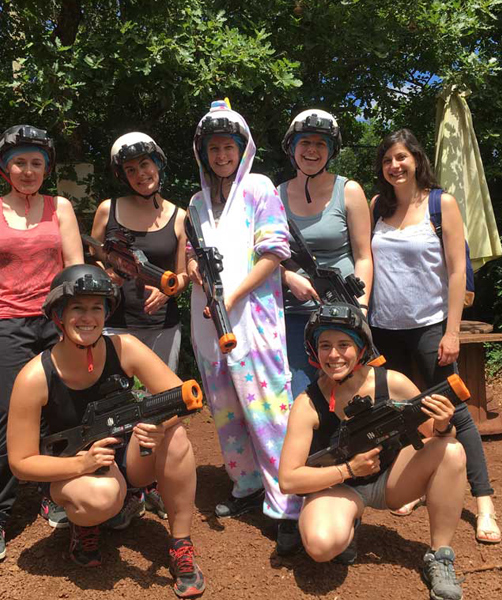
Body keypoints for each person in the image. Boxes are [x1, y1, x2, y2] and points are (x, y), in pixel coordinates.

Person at [6, 265, 205, 598]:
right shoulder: (34, 377)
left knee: (177, 436)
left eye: (96, 308)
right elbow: (20, 462)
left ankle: (180, 544)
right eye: (78, 308)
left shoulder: (123, 348)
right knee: (100, 497)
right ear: (59, 314)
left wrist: (157, 427)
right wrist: (80, 465)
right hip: (71, 471)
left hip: (127, 458)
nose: (88, 317)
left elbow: (180, 396)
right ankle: (86, 525)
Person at [278, 304, 467, 600]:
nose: (334, 355)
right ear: (314, 353)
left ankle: (440, 556)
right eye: (324, 345)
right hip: (339, 486)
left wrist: (443, 424)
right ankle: (347, 522)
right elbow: (288, 480)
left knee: (452, 451)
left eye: (344, 344)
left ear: (361, 347)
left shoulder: (391, 382)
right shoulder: (308, 403)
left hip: (391, 478)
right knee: (320, 546)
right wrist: (349, 470)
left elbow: (440, 437)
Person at [368, 128, 501, 544]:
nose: (395, 165)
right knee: (400, 413)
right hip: (383, 329)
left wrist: (452, 331)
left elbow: (458, 271)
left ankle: (484, 503)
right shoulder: (377, 207)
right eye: (388, 159)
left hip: (430, 327)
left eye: (402, 157)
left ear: (417, 159)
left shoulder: (442, 204)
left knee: (454, 412)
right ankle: (412, 485)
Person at [186, 100, 302, 554]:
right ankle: (248, 484)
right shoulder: (196, 201)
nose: (221, 155)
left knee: (270, 411)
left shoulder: (258, 187)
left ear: (242, 149)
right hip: (206, 321)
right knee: (225, 410)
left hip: (253, 321)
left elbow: (274, 253)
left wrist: (231, 296)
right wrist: (195, 270)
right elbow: (193, 253)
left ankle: (288, 501)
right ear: (204, 153)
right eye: (213, 148)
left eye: (228, 146)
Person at [0, 124, 83, 562]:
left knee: (59, 408)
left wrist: (77, 318)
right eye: (20, 162)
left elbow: (74, 264)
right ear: (4, 168)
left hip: (54, 319)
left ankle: (52, 493)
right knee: (8, 416)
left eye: (36, 162)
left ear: (46, 167)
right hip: (4, 321)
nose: (28, 170)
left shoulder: (61, 208)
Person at [90, 132, 190, 526]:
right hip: (116, 326)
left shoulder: (179, 216)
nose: (140, 174)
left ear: (159, 164)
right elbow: (92, 257)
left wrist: (170, 292)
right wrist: (106, 275)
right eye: (130, 169)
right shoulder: (107, 209)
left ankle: (152, 485)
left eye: (145, 165)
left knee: (159, 409)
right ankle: (121, 487)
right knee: (117, 409)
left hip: (162, 326)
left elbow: (183, 273)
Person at [277, 109, 373, 399]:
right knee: (300, 398)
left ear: (331, 150)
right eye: (305, 142)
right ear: (292, 148)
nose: (312, 150)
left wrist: (362, 308)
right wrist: (287, 276)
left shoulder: (350, 191)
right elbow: (263, 257)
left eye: (321, 144)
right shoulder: (274, 196)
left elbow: (364, 256)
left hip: (344, 314)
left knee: (351, 396)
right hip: (294, 315)